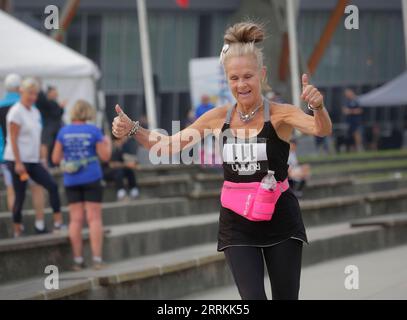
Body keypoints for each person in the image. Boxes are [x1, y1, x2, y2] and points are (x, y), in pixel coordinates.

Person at [112, 21, 332, 300]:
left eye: (248, 76)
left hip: (281, 219)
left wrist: (318, 107)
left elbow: (321, 129)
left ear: (262, 75)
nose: (241, 84)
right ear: (227, 79)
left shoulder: (280, 114)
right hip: (237, 223)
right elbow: (167, 145)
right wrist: (133, 129)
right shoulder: (218, 117)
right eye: (234, 78)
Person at [52, 100, 111, 271]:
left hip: (71, 179)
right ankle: (97, 259)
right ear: (88, 112)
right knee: (94, 218)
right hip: (91, 177)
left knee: (75, 220)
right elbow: (105, 157)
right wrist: (107, 143)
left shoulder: (64, 131)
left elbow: (55, 159)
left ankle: (78, 260)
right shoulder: (93, 130)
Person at [3, 77, 64, 238]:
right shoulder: (16, 111)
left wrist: (42, 158)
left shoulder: (35, 111)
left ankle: (58, 222)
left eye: (35, 94)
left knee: (52, 185)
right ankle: (17, 228)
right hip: (18, 160)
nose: (33, 97)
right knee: (20, 195)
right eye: (30, 93)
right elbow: (13, 138)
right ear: (21, 91)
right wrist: (17, 162)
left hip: (33, 160)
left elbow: (37, 137)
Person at [103, 136, 140, 201]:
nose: (125, 140)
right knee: (119, 171)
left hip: (117, 170)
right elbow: (112, 165)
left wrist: (131, 164)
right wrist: (126, 164)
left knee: (129, 171)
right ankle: (121, 193)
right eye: (124, 138)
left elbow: (122, 160)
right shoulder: (111, 148)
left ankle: (134, 191)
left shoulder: (120, 148)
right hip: (106, 172)